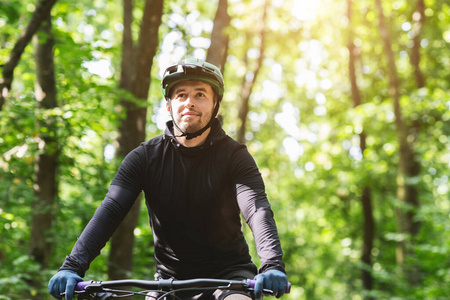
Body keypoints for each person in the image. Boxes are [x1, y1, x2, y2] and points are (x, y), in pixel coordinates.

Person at [48, 58, 288, 300]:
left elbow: (256, 209)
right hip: (168, 284)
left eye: (200, 95)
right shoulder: (144, 158)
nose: (189, 103)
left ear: (216, 104)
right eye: (181, 95)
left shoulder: (235, 156)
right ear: (168, 105)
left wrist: (271, 263)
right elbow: (111, 209)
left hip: (229, 278)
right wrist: (71, 267)